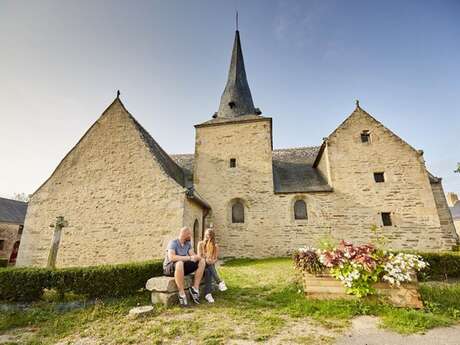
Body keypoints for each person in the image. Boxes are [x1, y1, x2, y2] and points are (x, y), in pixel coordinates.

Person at [163, 227, 206, 307]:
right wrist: (189, 258)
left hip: (181, 267)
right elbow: (172, 257)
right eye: (190, 234)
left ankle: (195, 289)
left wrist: (200, 257)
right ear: (185, 234)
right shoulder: (173, 243)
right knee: (179, 263)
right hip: (169, 268)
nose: (191, 236)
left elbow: (193, 255)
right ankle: (182, 294)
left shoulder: (187, 244)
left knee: (202, 261)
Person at [198, 228, 228, 303]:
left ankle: (208, 294)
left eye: (209, 235)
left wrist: (211, 261)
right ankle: (219, 282)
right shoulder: (200, 244)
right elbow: (199, 257)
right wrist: (206, 259)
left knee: (208, 271)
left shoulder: (215, 246)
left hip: (210, 266)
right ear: (204, 235)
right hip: (201, 265)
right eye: (207, 235)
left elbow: (215, 259)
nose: (208, 236)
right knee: (207, 265)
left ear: (212, 236)